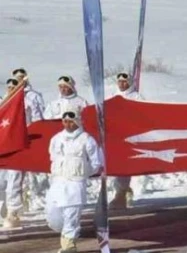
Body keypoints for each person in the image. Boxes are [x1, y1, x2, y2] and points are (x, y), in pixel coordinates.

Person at [45, 109, 103, 253]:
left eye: (71, 121)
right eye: (65, 121)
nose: (68, 124)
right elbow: (52, 157)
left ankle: (69, 245)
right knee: (53, 216)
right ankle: (65, 232)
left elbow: (96, 162)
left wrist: (84, 172)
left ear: (77, 121)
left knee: (72, 215)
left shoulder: (87, 139)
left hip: (75, 184)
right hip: (58, 183)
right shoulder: (56, 138)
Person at [2, 73, 44, 229]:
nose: (12, 90)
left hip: (22, 142)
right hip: (5, 144)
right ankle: (7, 208)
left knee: (16, 177)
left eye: (15, 87)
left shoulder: (28, 101)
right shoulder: (3, 103)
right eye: (10, 87)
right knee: (4, 180)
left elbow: (38, 121)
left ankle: (13, 211)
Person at [108, 72, 143, 210]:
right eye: (120, 82)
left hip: (131, 136)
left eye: (125, 82)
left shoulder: (137, 97)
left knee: (126, 166)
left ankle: (123, 192)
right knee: (117, 165)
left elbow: (143, 115)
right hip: (116, 137)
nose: (122, 84)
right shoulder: (112, 97)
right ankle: (121, 192)